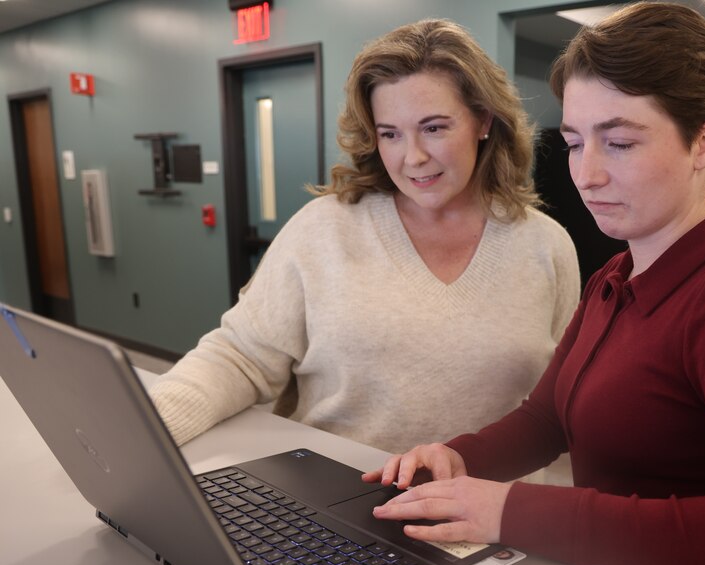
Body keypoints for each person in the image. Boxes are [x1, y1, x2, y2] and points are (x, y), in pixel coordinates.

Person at [366, 2, 705, 565]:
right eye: (576, 143)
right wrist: (458, 460)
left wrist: (513, 511)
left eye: (620, 144)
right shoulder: (616, 274)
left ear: (703, 142)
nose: (587, 174)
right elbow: (549, 418)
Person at [149, 20, 579, 454]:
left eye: (434, 128)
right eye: (390, 134)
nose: (413, 157)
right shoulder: (324, 228)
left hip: (485, 508)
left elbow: (560, 402)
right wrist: (150, 425)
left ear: (482, 121)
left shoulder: (546, 247)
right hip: (332, 497)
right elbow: (241, 356)